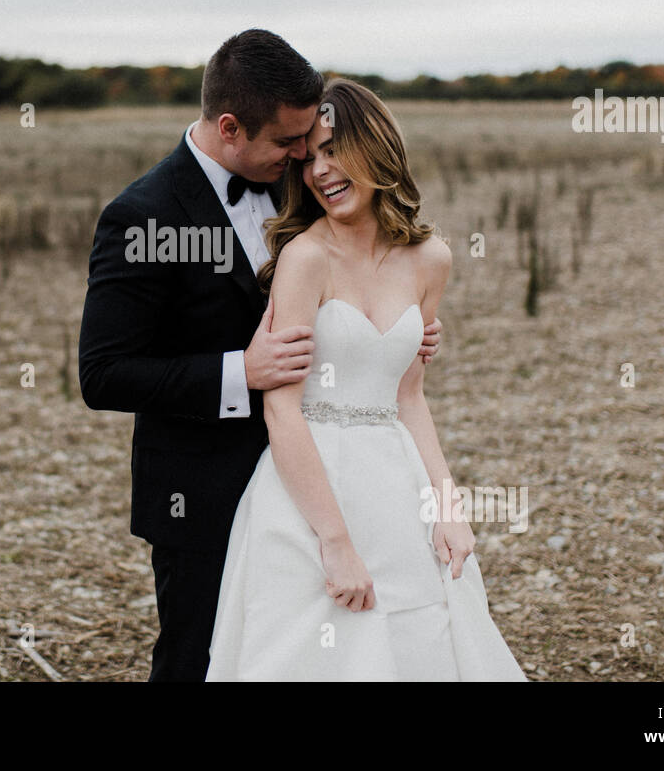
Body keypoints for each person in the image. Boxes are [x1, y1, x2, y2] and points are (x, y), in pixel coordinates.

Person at [78, 30, 444, 681]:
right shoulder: (141, 216)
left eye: (310, 139)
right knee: (203, 659)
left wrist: (396, 333)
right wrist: (237, 373)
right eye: (288, 141)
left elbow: (344, 285)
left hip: (319, 476)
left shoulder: (295, 188)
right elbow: (103, 373)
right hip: (203, 491)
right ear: (229, 127)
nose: (305, 155)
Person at [205, 77, 526, 680]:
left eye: (333, 151)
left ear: (375, 148)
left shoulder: (432, 258)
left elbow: (409, 398)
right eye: (309, 159)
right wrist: (335, 541)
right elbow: (282, 411)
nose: (319, 171)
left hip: (396, 481)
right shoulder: (304, 258)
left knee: (420, 635)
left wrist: (447, 504)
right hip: (310, 489)